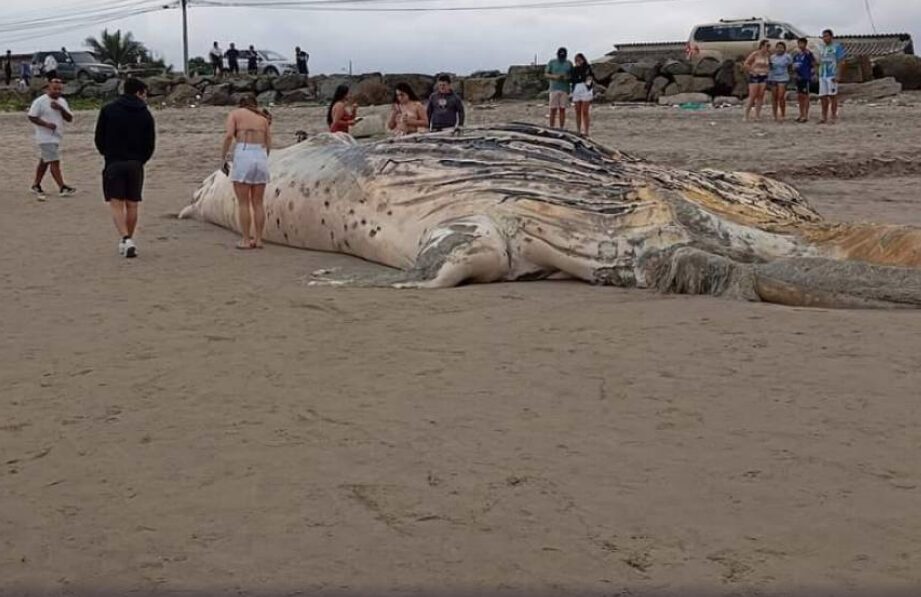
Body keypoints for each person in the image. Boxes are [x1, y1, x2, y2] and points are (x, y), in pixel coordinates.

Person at [94, 78, 156, 259]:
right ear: (138, 92)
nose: (146, 98)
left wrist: (106, 153)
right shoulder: (145, 113)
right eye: (145, 93)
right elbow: (150, 143)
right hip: (136, 163)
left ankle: (125, 238)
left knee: (116, 203)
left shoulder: (108, 109)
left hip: (114, 161)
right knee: (132, 203)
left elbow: (99, 137)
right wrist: (141, 160)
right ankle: (128, 239)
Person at [222, 95, 272, 250]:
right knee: (258, 202)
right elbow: (269, 142)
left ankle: (245, 239)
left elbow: (229, 135)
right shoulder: (263, 119)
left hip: (244, 152)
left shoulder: (235, 114)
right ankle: (258, 239)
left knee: (243, 202)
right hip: (260, 154)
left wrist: (223, 156)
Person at [27, 79, 76, 199]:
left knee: (45, 161)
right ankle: (62, 187)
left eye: (59, 89)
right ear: (48, 88)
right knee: (54, 160)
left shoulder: (62, 101)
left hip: (57, 136)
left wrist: (61, 108)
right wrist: (46, 124)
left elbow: (69, 118)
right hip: (44, 137)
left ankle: (36, 184)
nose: (57, 91)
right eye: (55, 89)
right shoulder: (40, 101)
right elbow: (32, 116)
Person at [818, 29, 847, 124]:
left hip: (832, 74)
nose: (825, 38)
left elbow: (841, 61)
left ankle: (833, 115)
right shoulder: (821, 48)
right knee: (823, 96)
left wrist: (838, 74)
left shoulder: (837, 47)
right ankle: (824, 116)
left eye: (826, 36)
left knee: (832, 95)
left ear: (831, 36)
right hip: (823, 74)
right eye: (823, 36)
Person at [743, 40, 771, 121]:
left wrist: (767, 71)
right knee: (752, 96)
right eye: (767, 46)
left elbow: (769, 65)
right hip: (755, 76)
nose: (768, 48)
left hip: (764, 76)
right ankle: (746, 115)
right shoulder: (755, 54)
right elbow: (746, 64)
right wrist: (752, 71)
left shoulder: (767, 55)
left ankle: (757, 115)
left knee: (760, 96)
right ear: (762, 46)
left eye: (769, 46)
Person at [545, 47, 573, 129]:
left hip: (565, 89)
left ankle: (561, 128)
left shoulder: (569, 63)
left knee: (562, 109)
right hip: (554, 88)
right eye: (560, 55)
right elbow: (546, 74)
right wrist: (555, 77)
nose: (562, 57)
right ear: (557, 54)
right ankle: (551, 127)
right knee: (553, 109)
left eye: (563, 55)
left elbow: (572, 75)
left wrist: (567, 78)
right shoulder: (552, 62)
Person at [793, 37, 818, 123]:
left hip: (805, 77)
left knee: (805, 96)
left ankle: (806, 115)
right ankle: (800, 114)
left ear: (805, 44)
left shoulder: (808, 54)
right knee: (799, 96)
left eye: (802, 43)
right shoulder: (797, 55)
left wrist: (813, 73)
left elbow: (814, 64)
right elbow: (794, 65)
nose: (800, 45)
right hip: (798, 78)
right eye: (799, 43)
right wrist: (795, 73)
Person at [571, 53, 595, 136]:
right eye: (576, 60)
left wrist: (587, 86)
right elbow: (572, 79)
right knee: (577, 111)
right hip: (576, 89)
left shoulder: (588, 67)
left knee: (585, 111)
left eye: (579, 59)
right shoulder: (574, 69)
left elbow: (590, 77)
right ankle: (578, 130)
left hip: (585, 89)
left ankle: (586, 131)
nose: (577, 61)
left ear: (583, 59)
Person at [768, 42, 792, 122]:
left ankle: (782, 114)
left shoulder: (787, 57)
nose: (779, 49)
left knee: (781, 96)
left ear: (784, 49)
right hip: (773, 77)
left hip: (783, 77)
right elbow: (770, 67)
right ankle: (775, 115)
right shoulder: (772, 57)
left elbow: (790, 67)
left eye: (781, 47)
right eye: (778, 47)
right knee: (774, 97)